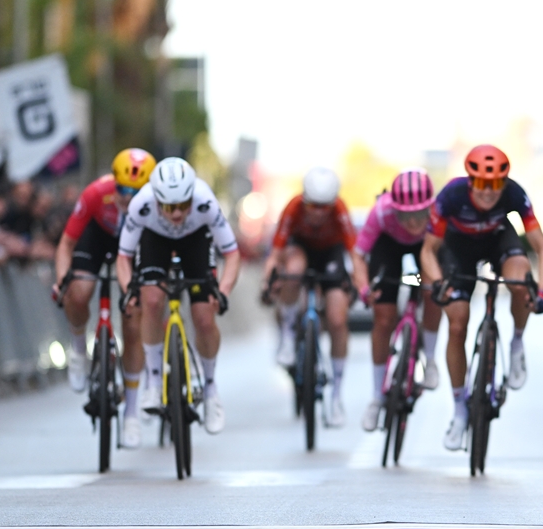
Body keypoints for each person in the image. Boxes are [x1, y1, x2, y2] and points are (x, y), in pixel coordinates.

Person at [420, 144, 543, 451]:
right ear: (470, 180)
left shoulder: (514, 194)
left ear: (504, 182)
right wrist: (439, 282)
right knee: (457, 323)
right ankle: (459, 410)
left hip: (497, 239)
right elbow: (428, 250)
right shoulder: (451, 196)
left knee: (521, 282)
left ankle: (516, 342)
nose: (488, 192)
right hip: (458, 249)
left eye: (495, 184)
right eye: (481, 183)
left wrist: (541, 291)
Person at [116, 157, 241, 437]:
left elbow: (232, 254)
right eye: (169, 207)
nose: (176, 214)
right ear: (157, 199)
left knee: (204, 317)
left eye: (183, 205)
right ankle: (153, 380)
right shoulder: (142, 205)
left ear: (191, 198)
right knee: (150, 300)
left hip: (195, 240)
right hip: (155, 240)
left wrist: (223, 291)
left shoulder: (205, 202)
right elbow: (123, 258)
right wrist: (128, 291)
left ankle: (210, 390)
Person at [53, 148, 156, 448]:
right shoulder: (96, 194)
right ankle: (78, 349)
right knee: (79, 291)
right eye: (122, 189)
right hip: (98, 237)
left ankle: (132, 413)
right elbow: (66, 243)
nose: (126, 197)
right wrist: (63, 279)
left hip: (135, 245)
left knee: (133, 320)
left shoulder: (154, 205)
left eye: (135, 192)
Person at [261, 167, 356, 428]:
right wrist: (267, 279)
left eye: (324, 207)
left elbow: (355, 255)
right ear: (304, 200)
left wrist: (362, 284)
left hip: (331, 255)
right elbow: (276, 252)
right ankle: (289, 338)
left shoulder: (340, 211)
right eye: (313, 206)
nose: (318, 213)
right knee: (293, 271)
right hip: (300, 250)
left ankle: (336, 395)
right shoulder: (293, 208)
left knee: (337, 320)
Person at [350, 169, 441, 432]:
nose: (413, 223)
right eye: (405, 215)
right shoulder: (381, 212)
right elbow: (358, 256)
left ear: (430, 208)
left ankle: (431, 360)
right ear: (394, 208)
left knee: (433, 290)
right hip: (388, 248)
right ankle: (377, 398)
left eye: (419, 215)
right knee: (383, 317)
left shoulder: (438, 213)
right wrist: (365, 288)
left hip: (426, 247)